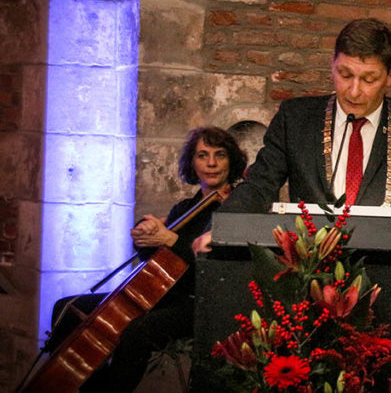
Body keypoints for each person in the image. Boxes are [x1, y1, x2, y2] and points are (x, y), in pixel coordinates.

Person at [222, 18, 391, 261]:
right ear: (332, 64)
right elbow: (259, 184)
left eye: (369, 79)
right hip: (307, 265)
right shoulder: (296, 118)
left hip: (386, 263)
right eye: (345, 75)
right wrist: (223, 228)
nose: (354, 91)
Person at [48, 126, 247, 393]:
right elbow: (159, 261)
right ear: (192, 163)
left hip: (200, 303)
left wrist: (169, 240)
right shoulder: (185, 209)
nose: (211, 163)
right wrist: (143, 238)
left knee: (136, 332)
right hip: (163, 296)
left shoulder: (235, 208)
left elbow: (214, 267)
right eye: (202, 155)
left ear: (231, 161)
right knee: (68, 308)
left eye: (219, 155)